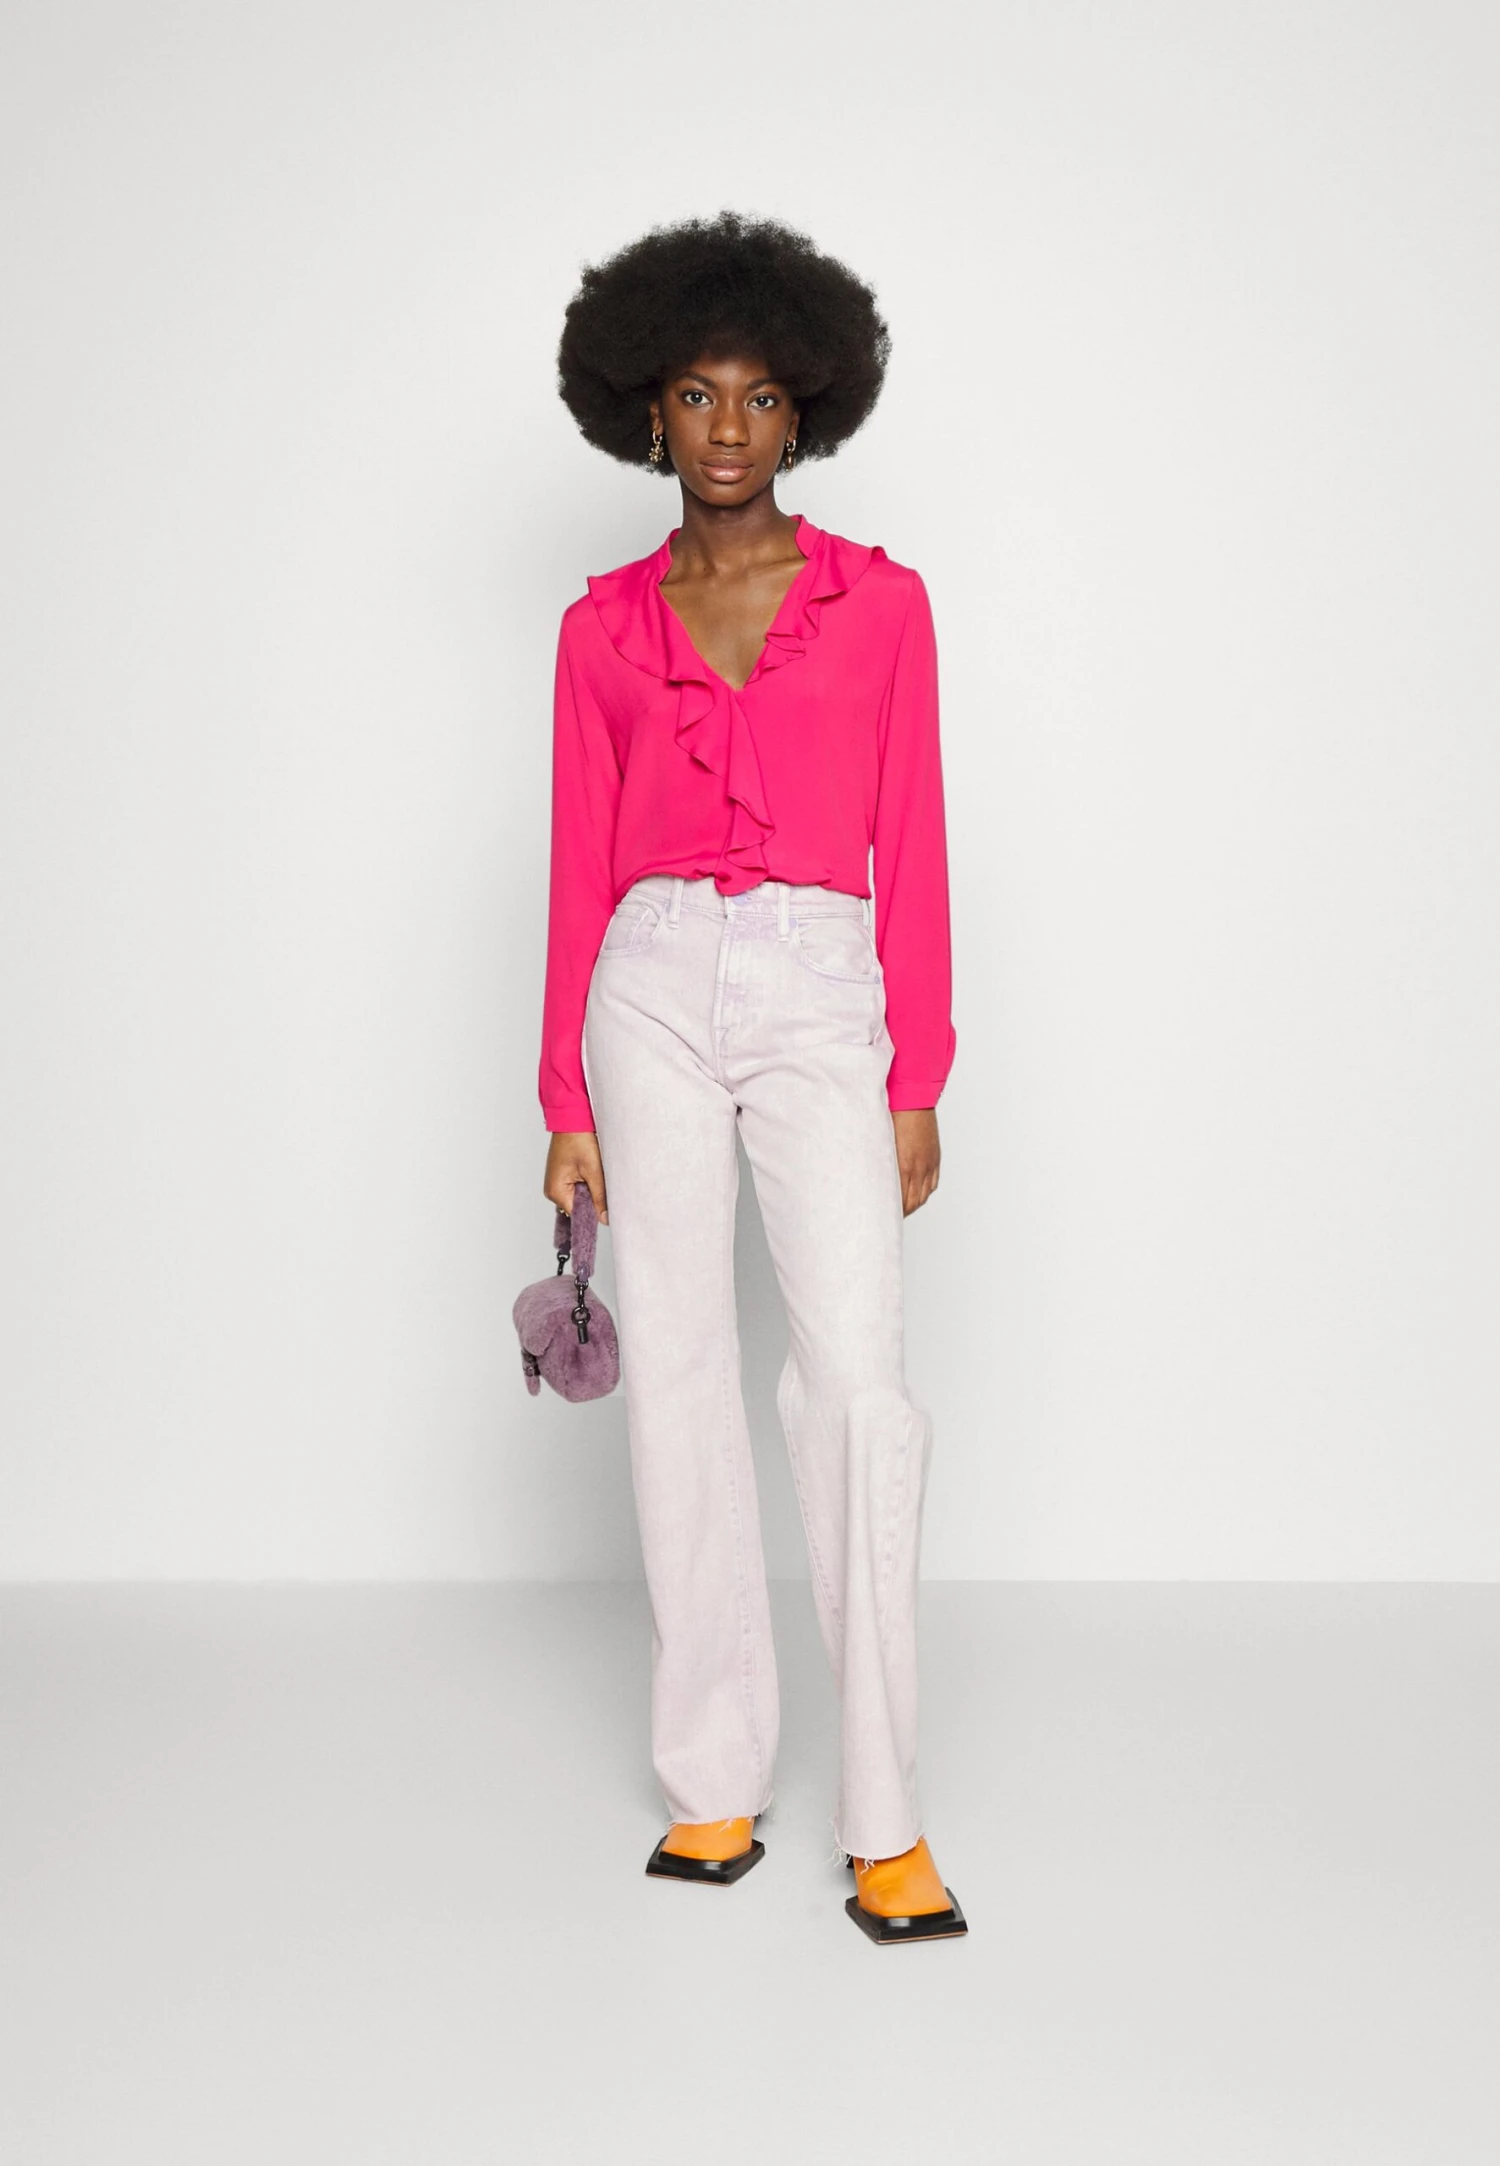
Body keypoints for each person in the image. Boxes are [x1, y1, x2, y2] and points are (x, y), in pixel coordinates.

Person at [538, 210, 964, 1945]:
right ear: (650, 409)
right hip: (642, 989)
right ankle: (713, 1774)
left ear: (808, 411)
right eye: (699, 394)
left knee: (856, 1383)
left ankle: (885, 1816)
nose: (729, 427)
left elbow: (914, 837)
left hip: (817, 986)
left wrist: (918, 1065)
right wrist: (562, 1102)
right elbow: (576, 865)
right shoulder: (599, 629)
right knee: (678, 1370)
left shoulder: (883, 607)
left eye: (763, 396)